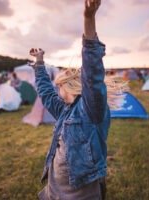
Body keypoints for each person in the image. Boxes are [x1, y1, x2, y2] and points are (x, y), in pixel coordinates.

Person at [30, 0, 128, 199]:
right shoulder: (66, 110)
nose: (58, 91)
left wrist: (88, 19)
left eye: (60, 86)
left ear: (71, 86)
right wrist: (40, 64)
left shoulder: (91, 109)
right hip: (54, 193)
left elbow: (92, 74)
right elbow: (46, 95)